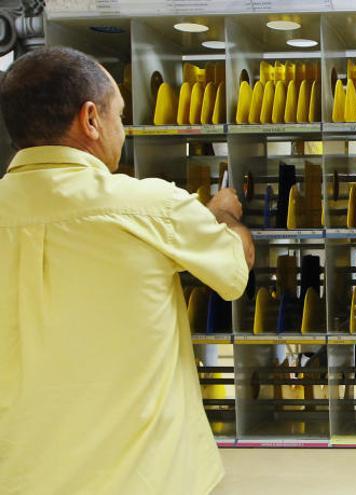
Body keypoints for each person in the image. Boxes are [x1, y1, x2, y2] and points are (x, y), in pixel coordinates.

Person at [0, 47, 254, 493]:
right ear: (91, 119)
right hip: (145, 480)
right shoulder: (149, 206)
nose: (124, 129)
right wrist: (223, 215)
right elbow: (236, 269)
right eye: (120, 114)